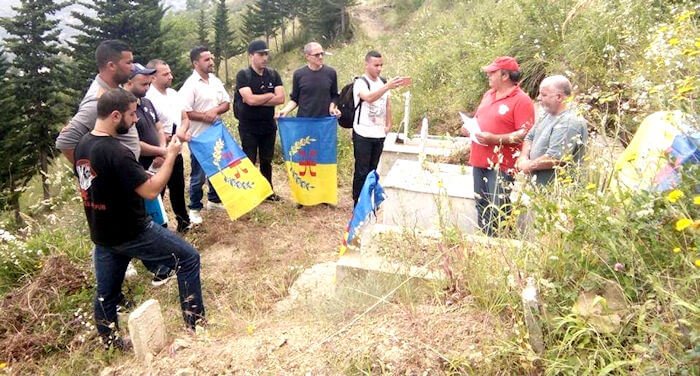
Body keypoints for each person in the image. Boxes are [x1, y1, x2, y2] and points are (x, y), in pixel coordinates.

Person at [74, 88, 205, 349]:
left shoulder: (83, 145)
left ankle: (111, 344)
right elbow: (151, 189)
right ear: (114, 115)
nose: (135, 120)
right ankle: (196, 326)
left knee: (106, 294)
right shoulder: (116, 151)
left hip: (103, 234)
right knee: (189, 258)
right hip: (133, 231)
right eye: (132, 114)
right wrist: (171, 155)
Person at [461, 56, 535, 236]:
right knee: (481, 203)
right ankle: (485, 240)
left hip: (502, 164)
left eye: (492, 73)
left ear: (505, 76)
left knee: (498, 205)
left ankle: (500, 242)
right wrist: (469, 128)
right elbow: (479, 118)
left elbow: (525, 133)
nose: (488, 75)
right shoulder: (488, 95)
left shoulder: (521, 100)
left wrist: (496, 139)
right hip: (479, 159)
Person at [56, 40, 138, 163]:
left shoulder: (114, 91)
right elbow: (66, 141)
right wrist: (93, 173)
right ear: (111, 66)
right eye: (128, 63)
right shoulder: (98, 101)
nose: (133, 67)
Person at [179, 46, 231, 224]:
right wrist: (204, 116)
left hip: (216, 134)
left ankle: (214, 200)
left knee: (217, 167)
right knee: (198, 174)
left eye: (211, 59)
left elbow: (226, 103)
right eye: (206, 59)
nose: (211, 62)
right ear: (196, 63)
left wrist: (215, 110)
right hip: (198, 137)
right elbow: (184, 111)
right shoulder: (190, 85)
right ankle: (194, 207)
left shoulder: (215, 81)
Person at [351, 50, 409, 206]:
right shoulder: (360, 82)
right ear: (367, 64)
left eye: (381, 65)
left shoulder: (382, 82)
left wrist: (389, 124)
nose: (379, 69)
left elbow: (387, 103)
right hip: (362, 132)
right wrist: (388, 86)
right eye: (376, 65)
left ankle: (370, 198)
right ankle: (357, 202)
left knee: (373, 169)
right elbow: (369, 98)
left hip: (379, 132)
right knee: (362, 169)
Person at [235, 40, 285, 201]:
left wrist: (262, 99)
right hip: (249, 126)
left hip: (268, 126)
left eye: (266, 54)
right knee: (249, 160)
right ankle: (249, 193)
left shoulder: (273, 74)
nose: (264, 58)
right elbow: (250, 100)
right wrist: (270, 96)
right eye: (261, 54)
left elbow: (281, 98)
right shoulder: (244, 75)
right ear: (251, 56)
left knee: (266, 160)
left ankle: (267, 191)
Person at [146, 59, 192, 232]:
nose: (170, 77)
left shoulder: (173, 94)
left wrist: (181, 132)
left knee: (178, 187)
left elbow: (185, 117)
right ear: (153, 77)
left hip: (176, 148)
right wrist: (161, 148)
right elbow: (150, 129)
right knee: (157, 191)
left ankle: (183, 222)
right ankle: (157, 227)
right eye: (165, 74)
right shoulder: (148, 98)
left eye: (170, 73)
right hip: (158, 153)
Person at [516, 75, 587, 185]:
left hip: (557, 192)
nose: (539, 98)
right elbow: (529, 137)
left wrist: (528, 166)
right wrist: (523, 157)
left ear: (559, 97)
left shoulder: (569, 122)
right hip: (538, 188)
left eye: (544, 94)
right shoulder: (547, 114)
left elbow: (556, 157)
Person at [276, 42, 341, 118]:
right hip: (304, 121)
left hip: (325, 122)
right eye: (316, 55)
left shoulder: (331, 73)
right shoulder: (298, 74)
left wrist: (332, 107)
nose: (320, 57)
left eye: (322, 54)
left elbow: (335, 96)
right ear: (307, 56)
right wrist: (285, 111)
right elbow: (295, 99)